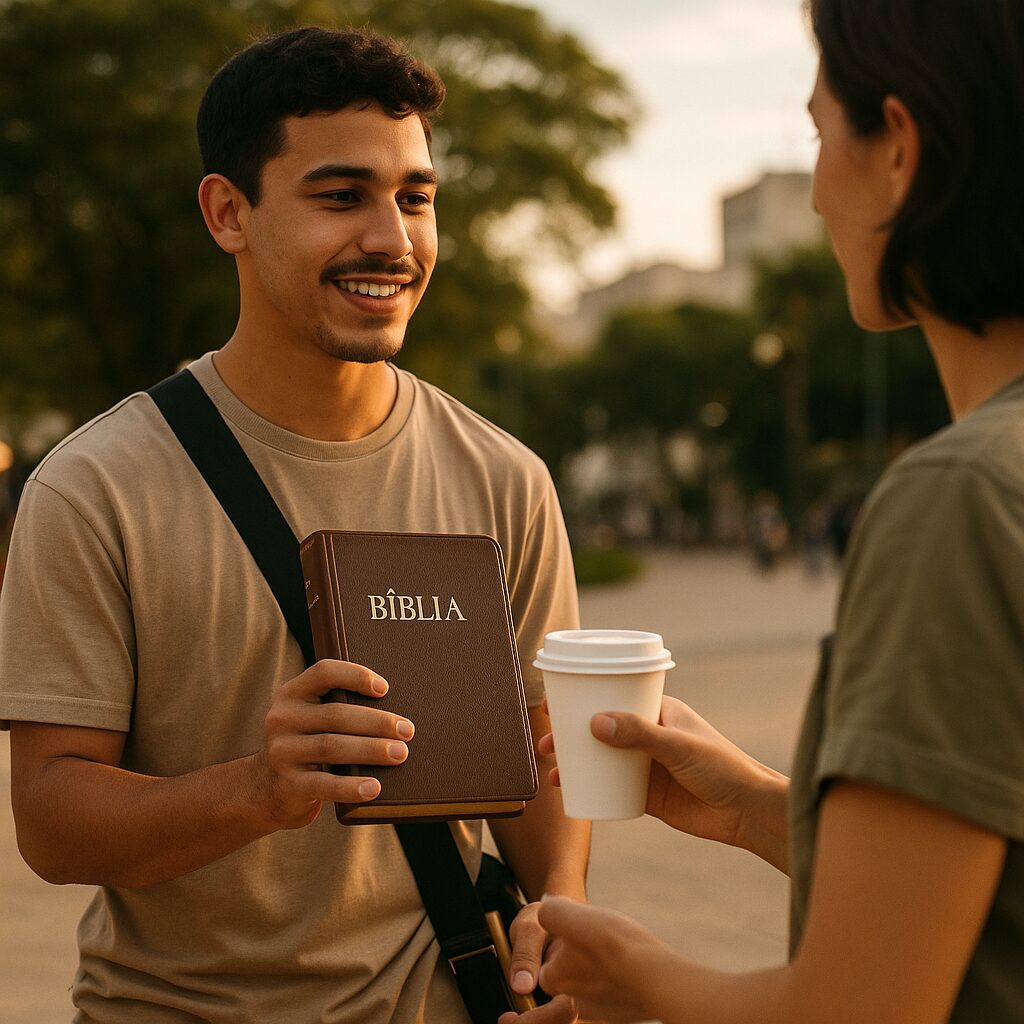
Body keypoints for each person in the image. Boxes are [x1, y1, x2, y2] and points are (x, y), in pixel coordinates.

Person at [0, 27, 589, 1024]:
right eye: (340, 196)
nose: (392, 240)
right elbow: (53, 822)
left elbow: (537, 765)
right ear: (228, 212)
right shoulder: (93, 487)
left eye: (415, 197)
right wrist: (258, 790)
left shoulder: (504, 480)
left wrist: (562, 918)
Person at [529, 1, 1024, 1021]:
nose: (810, 200)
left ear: (899, 149)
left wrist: (635, 975)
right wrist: (761, 806)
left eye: (817, 135)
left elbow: (862, 1006)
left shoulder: (959, 497)